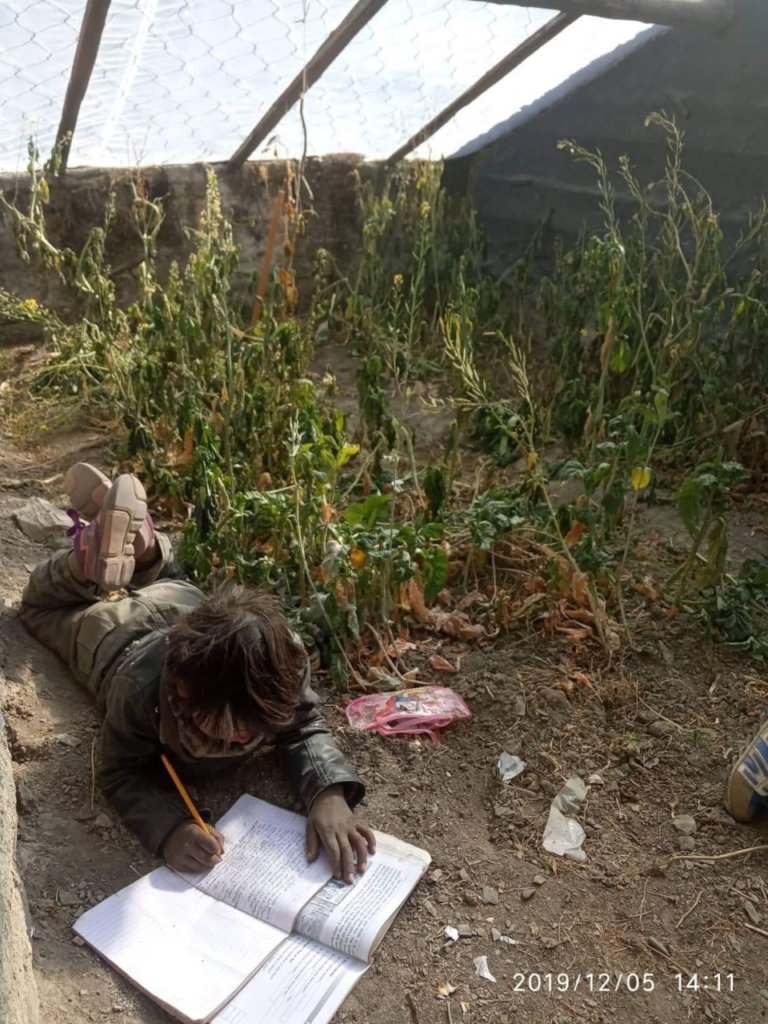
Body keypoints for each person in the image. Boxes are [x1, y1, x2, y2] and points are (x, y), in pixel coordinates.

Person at [19, 464, 375, 882]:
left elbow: (303, 724)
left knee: (170, 580)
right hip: (112, 630)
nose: (228, 744)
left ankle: (147, 551)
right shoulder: (137, 691)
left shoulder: (282, 667)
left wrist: (328, 793)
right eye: (211, 735)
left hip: (188, 606)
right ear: (179, 692)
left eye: (243, 737)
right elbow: (121, 771)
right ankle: (89, 560)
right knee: (40, 607)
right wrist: (171, 828)